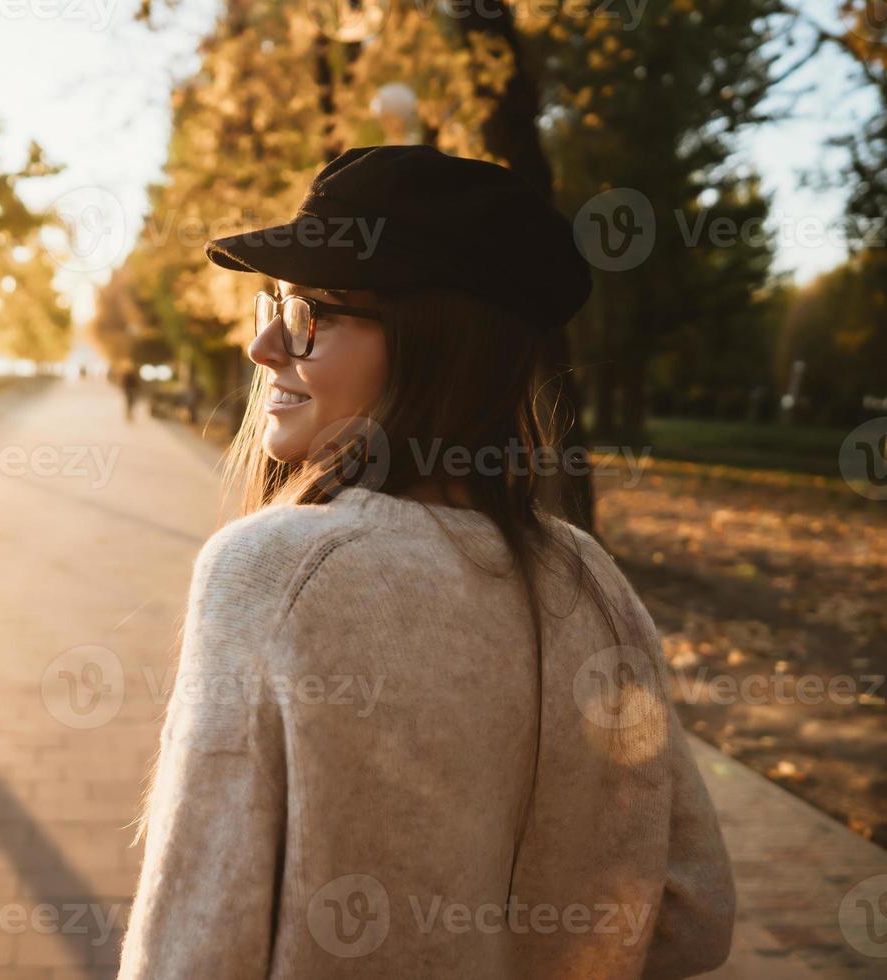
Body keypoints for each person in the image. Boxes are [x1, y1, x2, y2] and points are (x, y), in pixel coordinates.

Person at [118, 146, 735, 979]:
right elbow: (692, 916)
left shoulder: (274, 573)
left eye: (311, 313)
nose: (264, 344)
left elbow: (194, 946)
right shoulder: (589, 579)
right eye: (273, 303)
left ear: (434, 344)